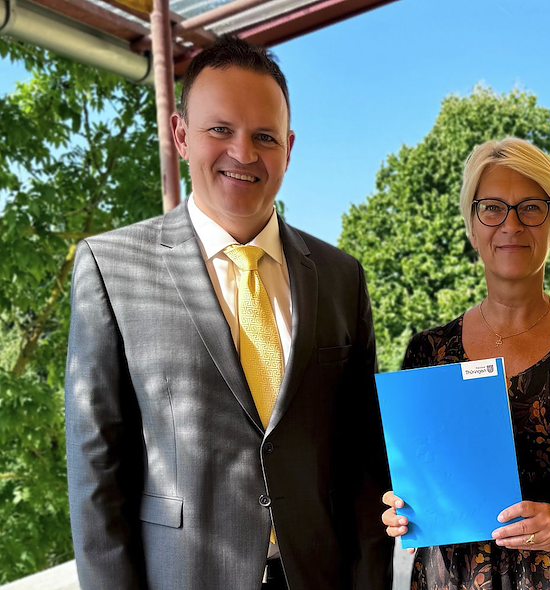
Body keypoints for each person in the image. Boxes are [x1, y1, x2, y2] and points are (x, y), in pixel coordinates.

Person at [65, 35, 393, 590]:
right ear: (180, 135)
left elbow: (363, 461)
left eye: (264, 136)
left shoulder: (341, 277)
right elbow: (98, 473)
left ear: (288, 147)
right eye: (220, 129)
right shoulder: (111, 267)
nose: (243, 153)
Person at [381, 137, 550, 589]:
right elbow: (413, 479)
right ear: (472, 226)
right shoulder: (427, 352)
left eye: (531, 207)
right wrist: (401, 508)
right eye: (492, 208)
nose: (511, 224)